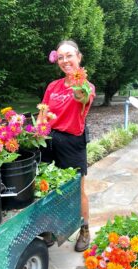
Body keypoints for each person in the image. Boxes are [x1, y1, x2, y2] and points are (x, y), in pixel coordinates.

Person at [38, 40, 95, 252]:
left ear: (79, 57)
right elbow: (42, 114)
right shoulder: (53, 86)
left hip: (72, 143)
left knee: (76, 190)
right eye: (60, 57)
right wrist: (37, 133)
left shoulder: (86, 87)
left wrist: (78, 82)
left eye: (69, 55)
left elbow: (82, 97)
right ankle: (49, 229)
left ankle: (85, 229)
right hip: (48, 140)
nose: (65, 60)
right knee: (46, 188)